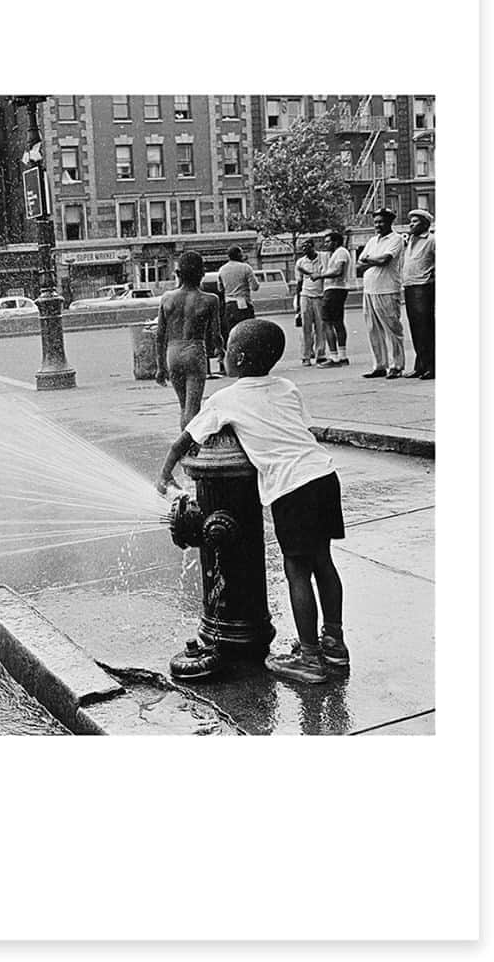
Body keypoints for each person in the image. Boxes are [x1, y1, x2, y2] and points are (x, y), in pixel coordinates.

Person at [156, 319, 348, 684]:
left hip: (292, 487)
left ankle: (309, 658)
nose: (223, 354)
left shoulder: (226, 398)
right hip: (323, 475)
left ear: (239, 358)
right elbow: (299, 428)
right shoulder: (288, 387)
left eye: (226, 349)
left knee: (296, 571)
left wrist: (164, 475)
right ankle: (334, 646)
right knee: (323, 562)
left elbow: (184, 439)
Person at [156, 251, 223, 430]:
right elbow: (216, 334)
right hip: (194, 350)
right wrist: (221, 352)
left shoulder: (167, 298)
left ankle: (185, 444)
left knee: (183, 406)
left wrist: (160, 367)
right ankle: (190, 450)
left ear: (178, 274)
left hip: (173, 353)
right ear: (202, 273)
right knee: (193, 407)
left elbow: (160, 335)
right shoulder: (210, 300)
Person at [356, 207, 405, 379]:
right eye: (376, 221)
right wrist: (372, 261)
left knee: (392, 328)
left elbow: (385, 260)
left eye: (381, 221)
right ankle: (380, 365)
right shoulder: (372, 241)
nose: (377, 225)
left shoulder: (396, 239)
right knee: (373, 329)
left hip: (387, 288)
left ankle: (396, 365)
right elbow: (358, 265)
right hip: (369, 289)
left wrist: (369, 260)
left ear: (390, 222)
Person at [401, 209, 435, 380]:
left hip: (423, 287)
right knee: (415, 328)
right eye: (411, 221)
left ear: (425, 224)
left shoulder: (431, 240)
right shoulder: (410, 241)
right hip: (410, 286)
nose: (411, 224)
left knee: (425, 328)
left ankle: (431, 366)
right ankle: (420, 364)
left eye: (415, 222)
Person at [311, 232, 353, 367]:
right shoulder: (338, 253)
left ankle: (334, 357)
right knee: (338, 322)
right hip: (338, 289)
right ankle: (342, 355)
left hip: (334, 289)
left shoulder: (340, 253)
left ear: (335, 242)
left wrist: (320, 275)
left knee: (327, 323)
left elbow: (338, 271)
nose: (326, 244)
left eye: (328, 241)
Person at [294, 238, 327, 366]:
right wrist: (297, 304)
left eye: (307, 246)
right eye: (302, 247)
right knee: (305, 328)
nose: (304, 249)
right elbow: (299, 283)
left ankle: (321, 354)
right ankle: (305, 356)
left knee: (321, 327)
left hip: (319, 296)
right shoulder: (300, 262)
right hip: (305, 296)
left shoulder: (323, 259)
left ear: (313, 246)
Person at [217, 245, 259, 336]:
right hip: (245, 304)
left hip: (229, 306)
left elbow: (220, 288)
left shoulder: (222, 269)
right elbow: (255, 287)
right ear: (239, 255)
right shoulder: (246, 268)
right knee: (248, 332)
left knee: (232, 334)